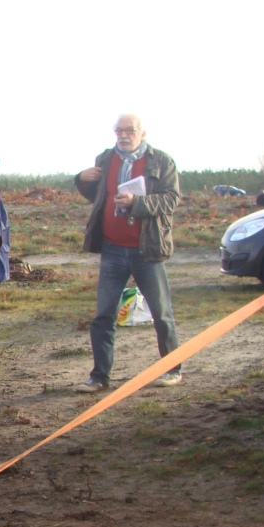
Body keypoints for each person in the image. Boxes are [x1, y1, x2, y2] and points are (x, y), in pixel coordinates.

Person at [73, 114, 182, 393]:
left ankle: (172, 369)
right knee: (104, 315)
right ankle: (99, 377)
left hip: (147, 249)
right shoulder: (106, 159)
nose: (124, 135)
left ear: (142, 133)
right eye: (119, 130)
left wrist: (137, 203)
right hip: (112, 249)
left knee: (161, 313)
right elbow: (97, 196)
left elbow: (171, 200)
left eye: (130, 130)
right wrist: (81, 180)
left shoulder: (162, 161)